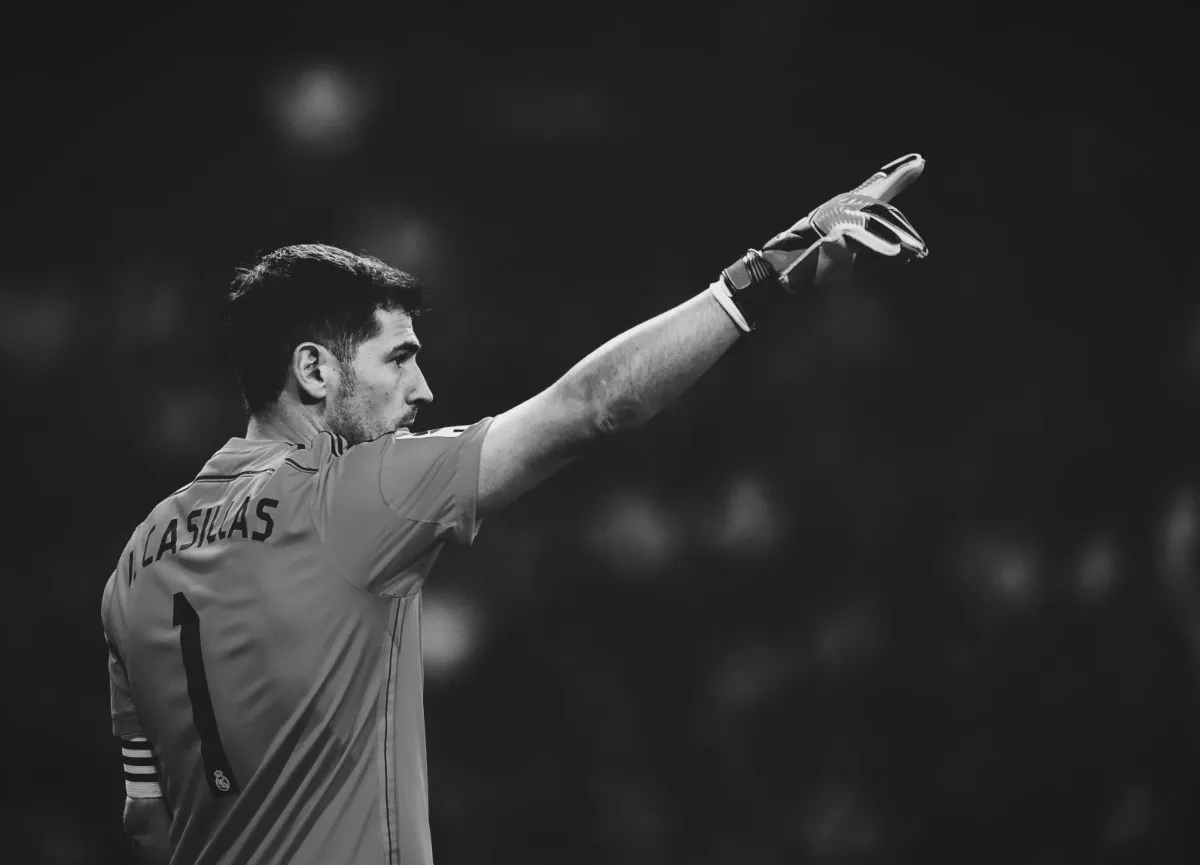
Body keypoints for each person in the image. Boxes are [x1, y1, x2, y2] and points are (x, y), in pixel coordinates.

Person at [100, 154, 929, 864]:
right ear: (314, 371)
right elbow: (594, 407)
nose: (424, 389)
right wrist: (772, 266)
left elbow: (146, 816)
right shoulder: (350, 495)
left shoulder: (134, 564)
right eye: (399, 358)